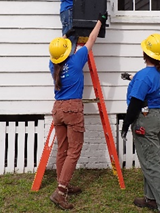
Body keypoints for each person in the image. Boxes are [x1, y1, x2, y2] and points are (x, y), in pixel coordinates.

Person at [47, 14, 106, 210]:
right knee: (74, 151)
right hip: (72, 108)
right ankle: (60, 192)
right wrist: (99, 21)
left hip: (58, 109)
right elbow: (91, 40)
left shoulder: (53, 65)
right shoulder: (76, 60)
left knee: (63, 148)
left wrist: (66, 34)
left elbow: (59, 50)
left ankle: (62, 183)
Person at [120, 33, 160, 213]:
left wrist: (126, 124)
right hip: (159, 116)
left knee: (151, 163)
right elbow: (148, 81)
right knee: (149, 159)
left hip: (146, 119)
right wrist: (130, 78)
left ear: (145, 54)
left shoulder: (145, 75)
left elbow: (136, 102)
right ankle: (150, 198)